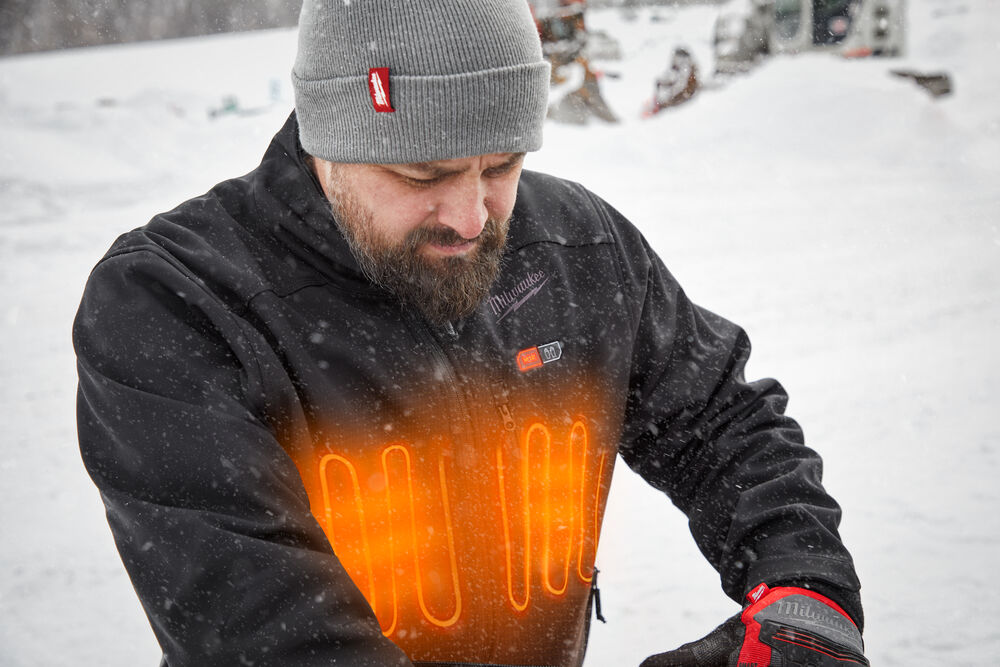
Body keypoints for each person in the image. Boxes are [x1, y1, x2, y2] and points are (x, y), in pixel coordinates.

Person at [73, 2, 867, 666]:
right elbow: (268, 635)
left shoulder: (573, 245)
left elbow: (723, 422)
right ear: (329, 139)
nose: (472, 216)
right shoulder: (177, 303)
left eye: (502, 164)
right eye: (423, 175)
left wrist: (805, 590)